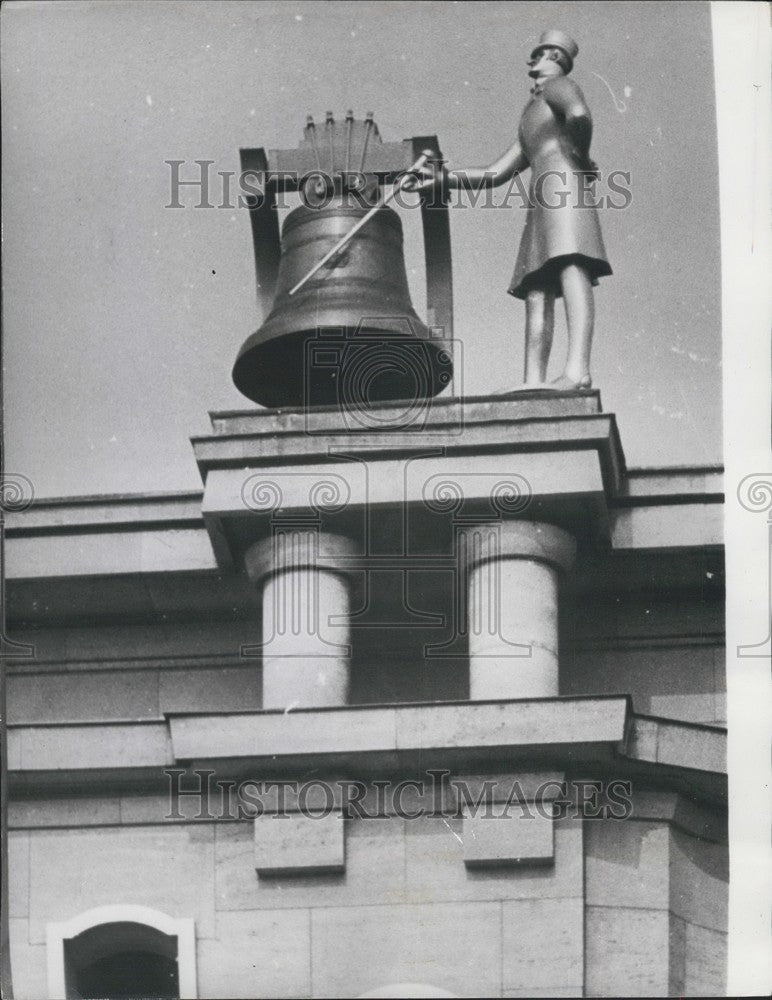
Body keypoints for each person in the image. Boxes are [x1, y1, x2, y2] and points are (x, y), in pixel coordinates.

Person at [418, 30, 612, 390]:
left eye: (539, 54)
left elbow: (580, 115)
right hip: (542, 201)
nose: (533, 61)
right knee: (537, 285)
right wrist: (443, 180)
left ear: (554, 57)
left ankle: (577, 369)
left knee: (571, 266)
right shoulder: (531, 114)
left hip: (564, 186)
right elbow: (496, 173)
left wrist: (581, 159)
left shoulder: (558, 86)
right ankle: (533, 382)